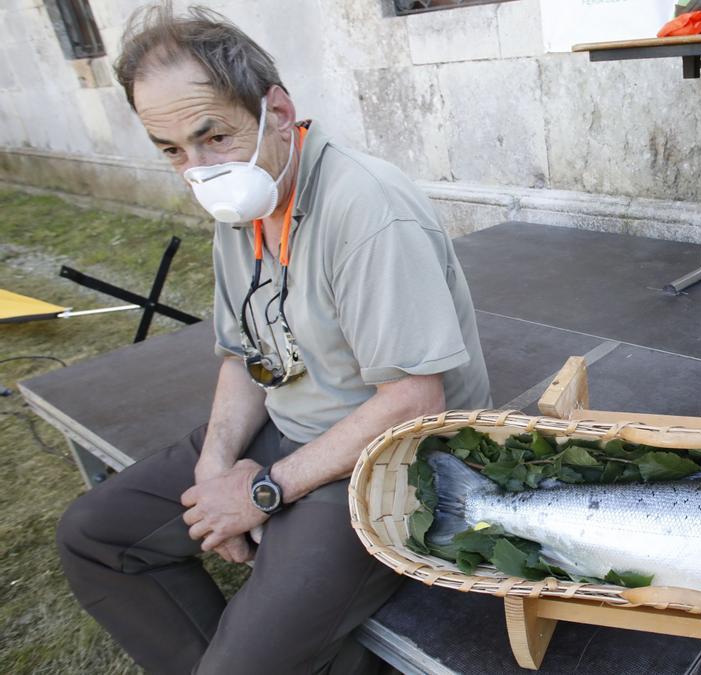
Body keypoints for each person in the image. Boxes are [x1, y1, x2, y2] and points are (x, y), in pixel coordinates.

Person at [55, 3, 492, 673]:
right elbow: (243, 354)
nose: (199, 170)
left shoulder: (366, 208)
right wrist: (215, 465)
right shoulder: (245, 199)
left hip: (393, 458)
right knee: (93, 536)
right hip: (289, 430)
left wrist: (260, 491)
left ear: (278, 112)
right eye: (172, 151)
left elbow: (412, 401)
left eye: (212, 137)